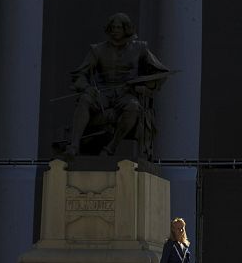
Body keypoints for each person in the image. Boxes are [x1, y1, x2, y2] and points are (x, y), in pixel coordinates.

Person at [64, 12, 169, 157]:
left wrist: (145, 86)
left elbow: (160, 72)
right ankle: (74, 146)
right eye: (112, 27)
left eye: (119, 27)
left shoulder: (140, 48)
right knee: (85, 99)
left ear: (126, 28)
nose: (115, 30)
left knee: (133, 106)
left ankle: (111, 147)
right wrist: (87, 87)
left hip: (126, 94)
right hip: (103, 94)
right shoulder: (97, 50)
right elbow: (80, 74)